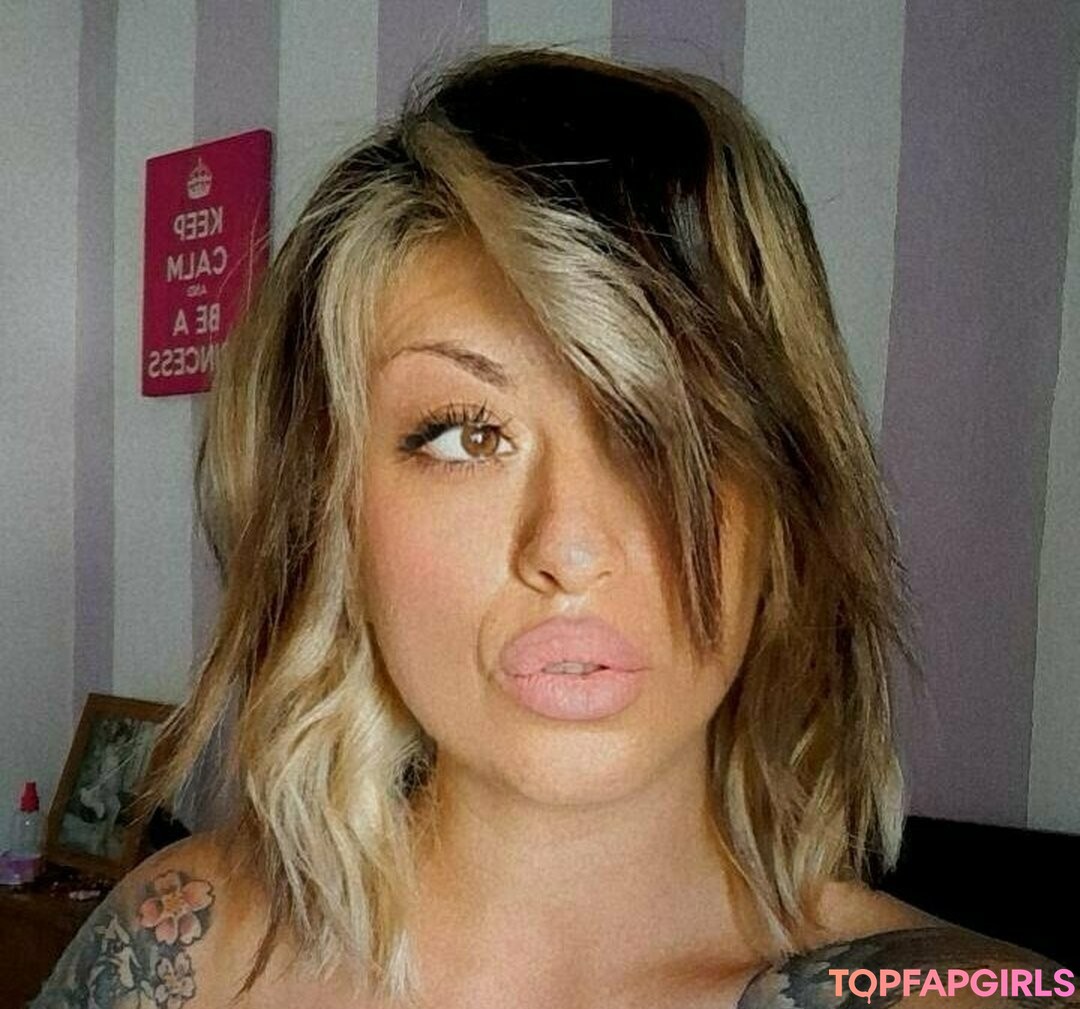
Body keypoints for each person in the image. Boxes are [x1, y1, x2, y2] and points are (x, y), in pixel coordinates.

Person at [32, 47, 1072, 1009]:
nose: (569, 547)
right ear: (335, 512)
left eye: (664, 432)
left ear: (788, 504)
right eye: (464, 434)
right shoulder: (187, 946)